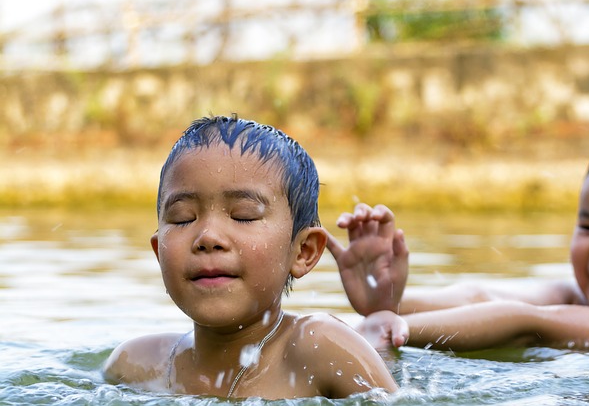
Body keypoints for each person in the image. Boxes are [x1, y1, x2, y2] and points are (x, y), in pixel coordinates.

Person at [102, 115, 398, 399]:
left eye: (243, 216)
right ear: (159, 252)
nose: (208, 237)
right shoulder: (137, 366)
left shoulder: (321, 350)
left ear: (303, 252)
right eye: (182, 218)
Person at [327, 135, 589, 353]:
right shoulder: (572, 297)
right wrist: (390, 301)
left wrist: (394, 329)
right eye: (588, 227)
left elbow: (526, 322)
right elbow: (479, 295)